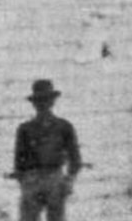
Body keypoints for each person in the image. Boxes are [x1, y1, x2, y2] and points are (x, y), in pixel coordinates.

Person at [13, 80, 82, 221]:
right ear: (33, 103)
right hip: (32, 180)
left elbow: (75, 158)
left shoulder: (64, 126)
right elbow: (19, 160)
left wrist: (69, 180)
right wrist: (25, 181)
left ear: (52, 102)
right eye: (39, 100)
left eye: (46, 100)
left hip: (55, 178)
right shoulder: (25, 129)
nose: (42, 104)